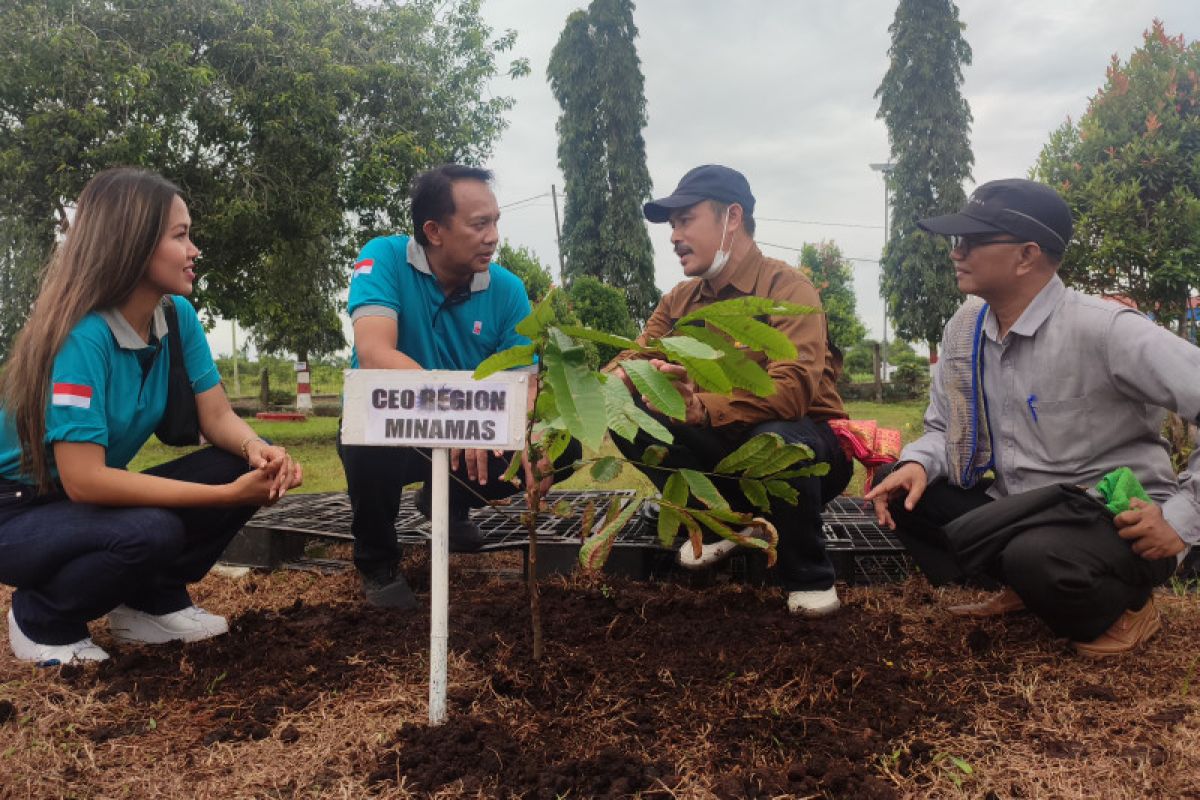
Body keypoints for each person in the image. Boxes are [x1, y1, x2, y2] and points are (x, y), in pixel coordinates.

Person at [865, 178, 1200, 657]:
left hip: (1111, 517)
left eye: (972, 241)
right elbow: (943, 429)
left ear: (1026, 256)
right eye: (956, 241)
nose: (956, 252)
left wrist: (1181, 518)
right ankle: (1028, 589)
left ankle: (1129, 608)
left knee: (1036, 555)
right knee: (900, 487)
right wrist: (916, 463)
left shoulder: (1105, 331)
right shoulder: (966, 331)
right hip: (1019, 510)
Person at [0, 167, 304, 666]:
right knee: (149, 530)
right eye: (181, 236)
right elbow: (84, 481)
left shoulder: (176, 317)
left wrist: (259, 452)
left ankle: (148, 603)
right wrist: (225, 498)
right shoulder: (81, 336)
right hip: (17, 509)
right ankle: (42, 618)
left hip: (75, 504)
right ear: (134, 245)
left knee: (238, 464)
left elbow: (218, 415)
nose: (194, 250)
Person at [607, 164, 852, 616]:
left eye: (685, 220)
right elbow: (631, 359)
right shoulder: (679, 301)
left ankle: (809, 576)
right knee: (625, 412)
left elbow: (792, 391)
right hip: (722, 445)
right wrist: (593, 392)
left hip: (807, 449)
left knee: (776, 437)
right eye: (672, 224)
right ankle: (719, 521)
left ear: (732, 218)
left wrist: (700, 407)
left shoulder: (787, 289)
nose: (674, 235)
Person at [338, 164, 577, 609]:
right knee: (364, 430)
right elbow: (375, 354)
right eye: (479, 224)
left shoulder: (507, 290)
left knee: (564, 445)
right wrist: (464, 414)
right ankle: (377, 562)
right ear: (434, 231)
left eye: (496, 222)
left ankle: (447, 501)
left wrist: (531, 432)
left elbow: (526, 384)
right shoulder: (383, 260)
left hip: (473, 436)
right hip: (399, 430)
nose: (493, 237)